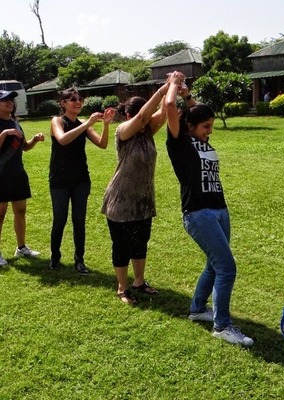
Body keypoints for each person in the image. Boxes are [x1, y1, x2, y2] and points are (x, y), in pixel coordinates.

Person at [165, 74, 254, 347]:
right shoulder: (178, 143)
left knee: (214, 265)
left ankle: (197, 309)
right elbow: (170, 108)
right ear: (189, 126)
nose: (210, 131)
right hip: (198, 213)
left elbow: (198, 110)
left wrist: (188, 95)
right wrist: (172, 84)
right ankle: (222, 326)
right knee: (226, 267)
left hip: (219, 210)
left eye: (211, 126)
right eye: (205, 127)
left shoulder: (200, 138)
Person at [101, 74, 179, 305]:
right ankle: (122, 288)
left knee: (141, 241)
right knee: (122, 245)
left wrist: (174, 86)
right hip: (120, 200)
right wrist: (163, 88)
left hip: (143, 199)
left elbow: (163, 113)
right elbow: (145, 114)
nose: (142, 120)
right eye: (137, 117)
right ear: (128, 116)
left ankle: (139, 281)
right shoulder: (123, 132)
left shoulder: (147, 132)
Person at [49, 88, 115, 273]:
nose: (77, 102)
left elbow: (102, 144)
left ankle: (79, 260)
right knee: (59, 220)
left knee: (79, 220)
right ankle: (55, 257)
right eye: (72, 99)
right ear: (63, 103)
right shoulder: (57, 121)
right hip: (60, 179)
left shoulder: (83, 124)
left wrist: (106, 125)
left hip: (80, 180)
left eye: (79, 99)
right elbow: (62, 140)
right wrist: (87, 124)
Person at [0, 90, 44, 266]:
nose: (9, 102)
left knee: (20, 211)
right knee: (0, 214)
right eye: (5, 100)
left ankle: (21, 247)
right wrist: (5, 134)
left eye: (11, 100)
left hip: (17, 172)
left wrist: (34, 140)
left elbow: (24, 147)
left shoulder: (15, 123)